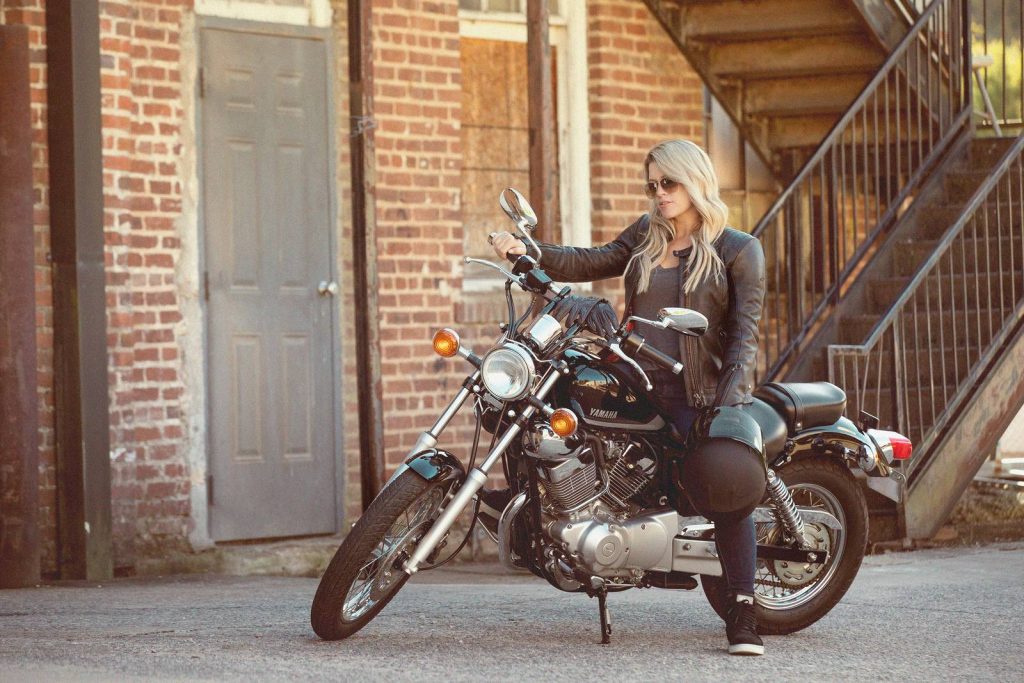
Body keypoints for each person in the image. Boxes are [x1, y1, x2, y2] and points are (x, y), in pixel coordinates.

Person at [483, 139, 767, 655]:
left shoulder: (737, 249)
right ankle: (531, 508)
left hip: (695, 392)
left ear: (695, 180)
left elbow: (745, 337)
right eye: (653, 185)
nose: (660, 194)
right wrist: (531, 252)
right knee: (538, 398)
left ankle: (743, 608)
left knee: (724, 488)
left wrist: (723, 409)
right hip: (634, 376)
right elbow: (589, 260)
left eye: (670, 183)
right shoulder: (645, 235)